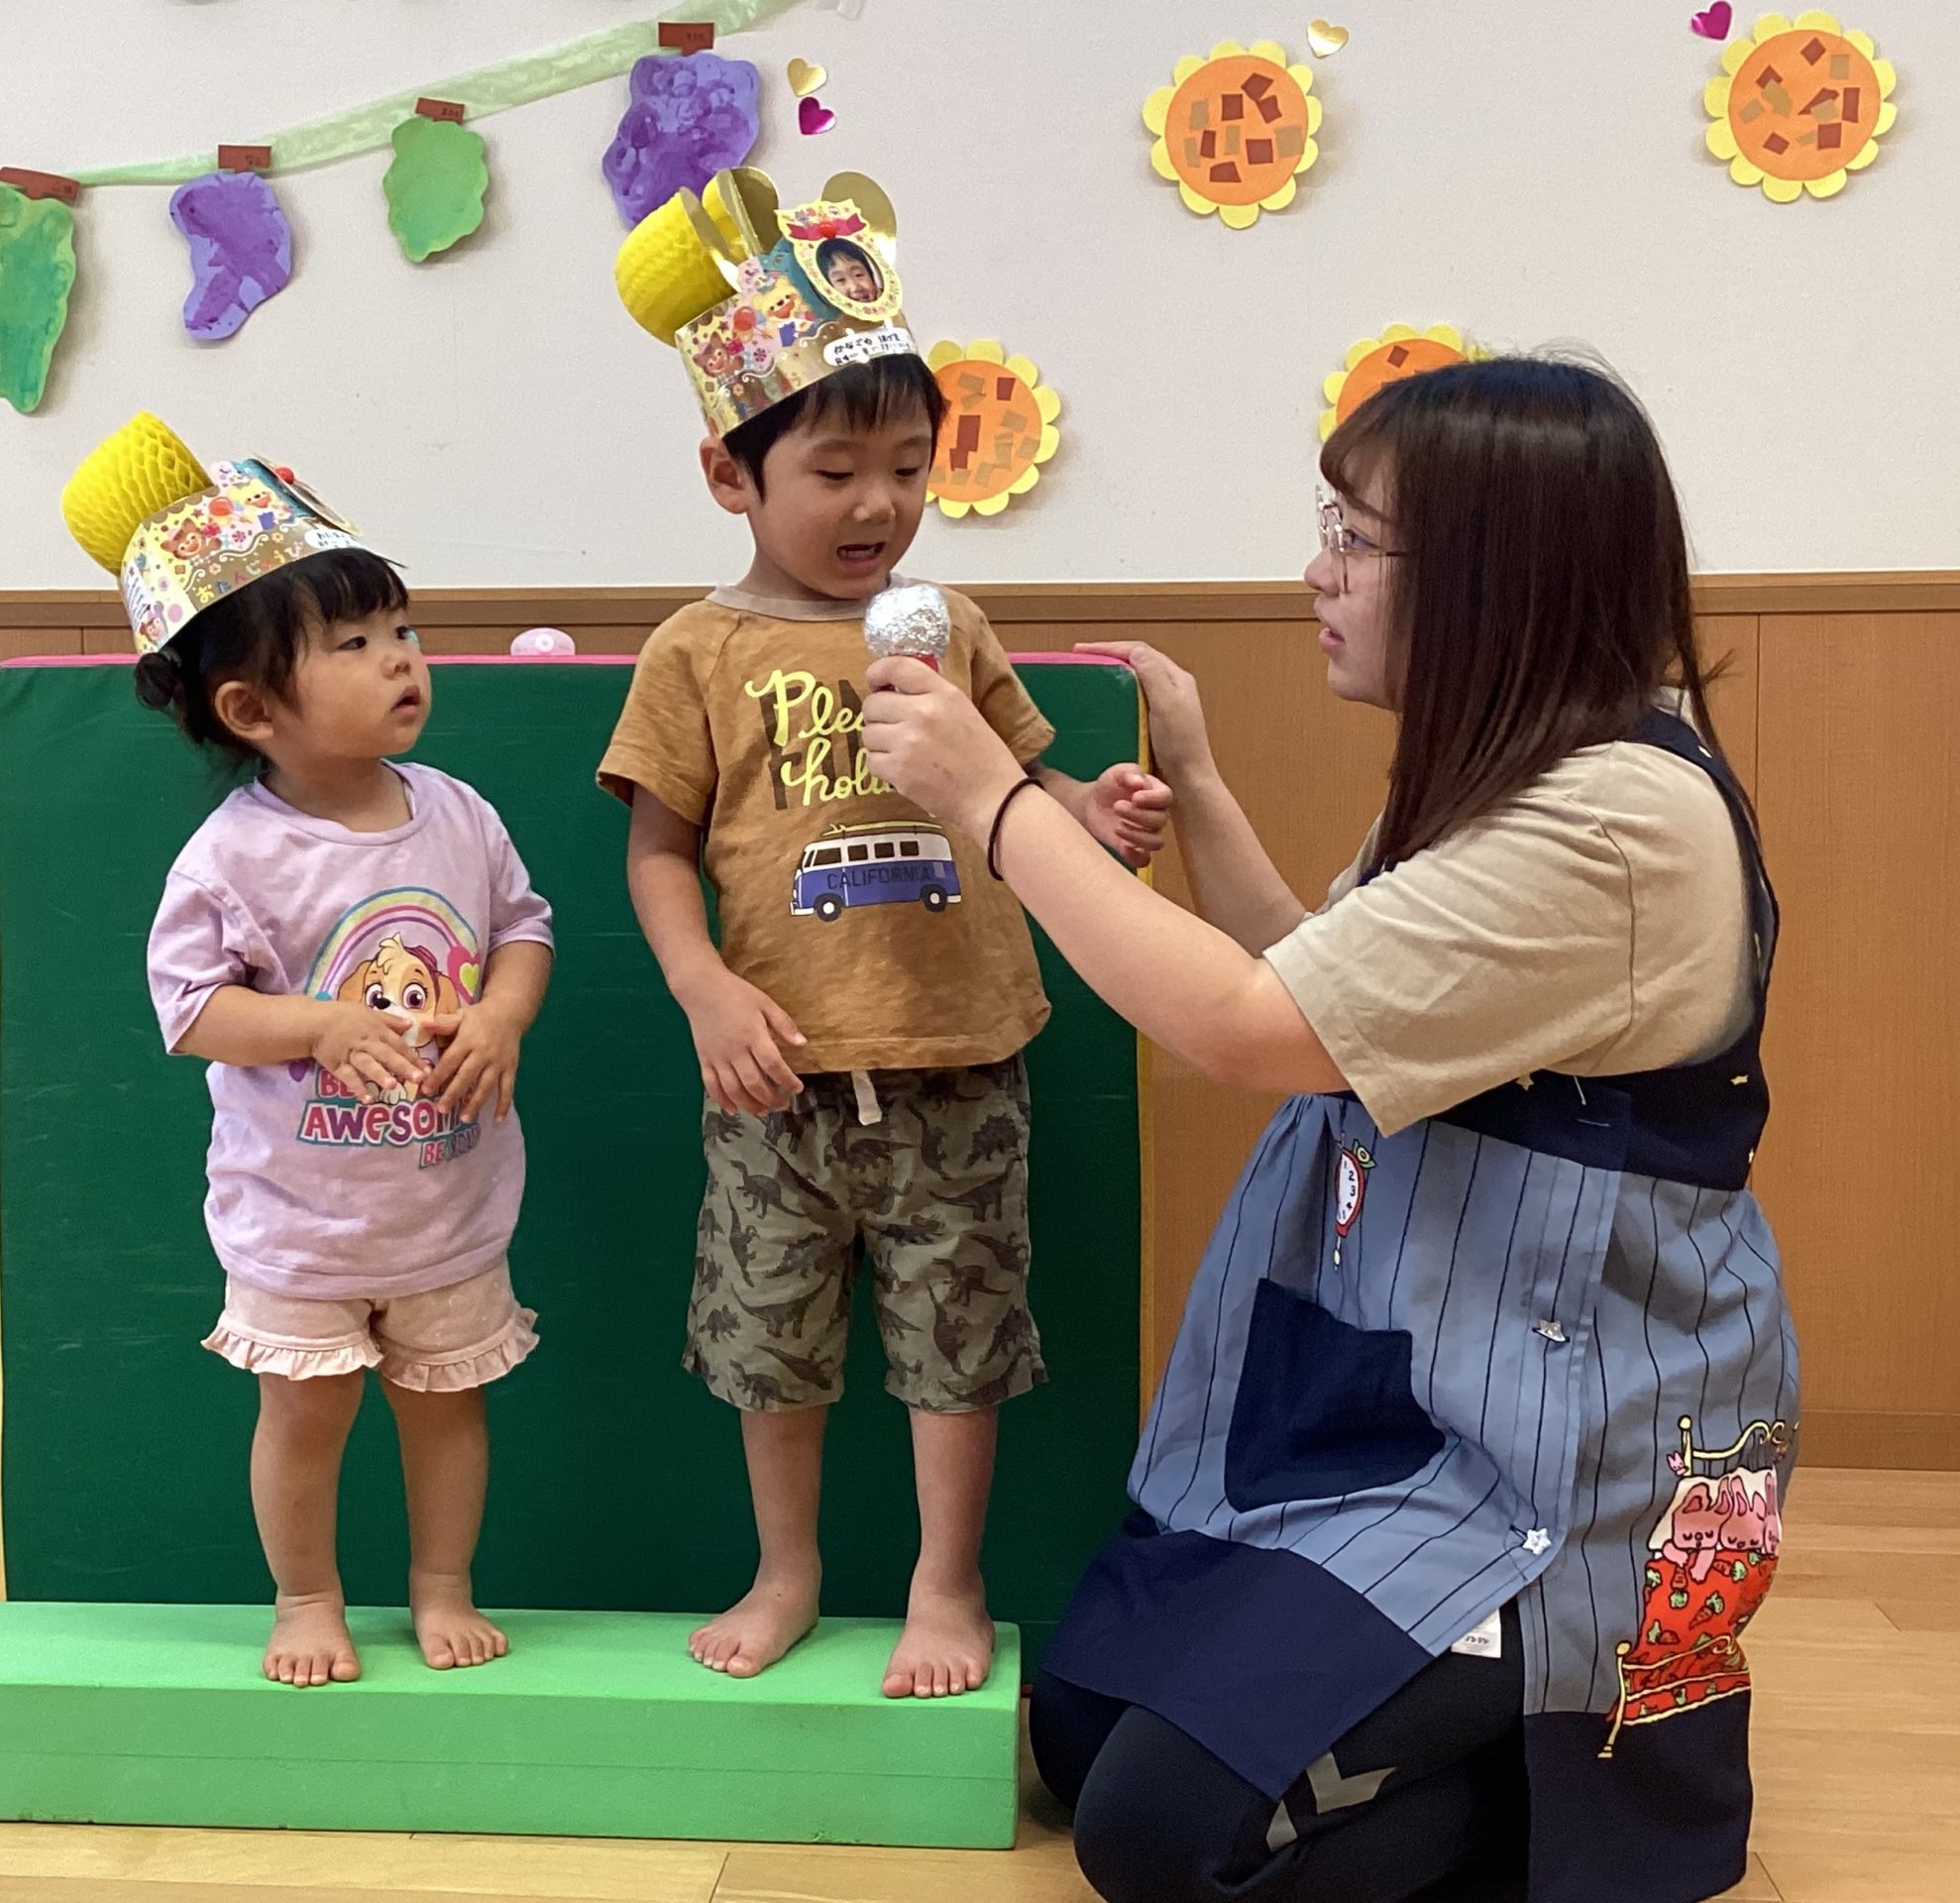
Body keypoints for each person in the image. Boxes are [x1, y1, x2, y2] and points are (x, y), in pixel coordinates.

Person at [860, 357, 1794, 1903]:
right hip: (1424, 1390)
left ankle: (1564, 1778)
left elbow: (1248, 1029)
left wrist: (993, 801)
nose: (1318, 572)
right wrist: (1198, 781)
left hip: (1553, 1451)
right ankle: (1465, 1746)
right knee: (1082, 1736)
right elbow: (1322, 980)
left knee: (1164, 1840)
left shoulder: (1615, 821)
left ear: (1494, 575)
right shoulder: (1509, 772)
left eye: (1357, 541)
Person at [599, 170, 1173, 1700]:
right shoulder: (697, 649)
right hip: (774, 1076)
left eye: (909, 468)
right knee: (769, 1344)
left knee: (957, 1343)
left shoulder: (949, 625)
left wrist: (1094, 810)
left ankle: (945, 1583)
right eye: (837, 469)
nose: (878, 505)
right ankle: (786, 1571)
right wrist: (704, 988)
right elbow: (656, 852)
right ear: (730, 474)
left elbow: (1026, 783)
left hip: (960, 1061)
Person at [64, 414, 556, 1687]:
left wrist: (501, 1015)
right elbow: (190, 1010)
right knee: (306, 1412)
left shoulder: (459, 814)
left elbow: (523, 931)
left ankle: (442, 1589)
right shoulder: (232, 854)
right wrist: (320, 1025)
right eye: (353, 643)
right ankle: (306, 1599)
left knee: (446, 1407)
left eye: (402, 630)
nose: (400, 660)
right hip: (297, 1220)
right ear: (251, 708)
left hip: (444, 1206)